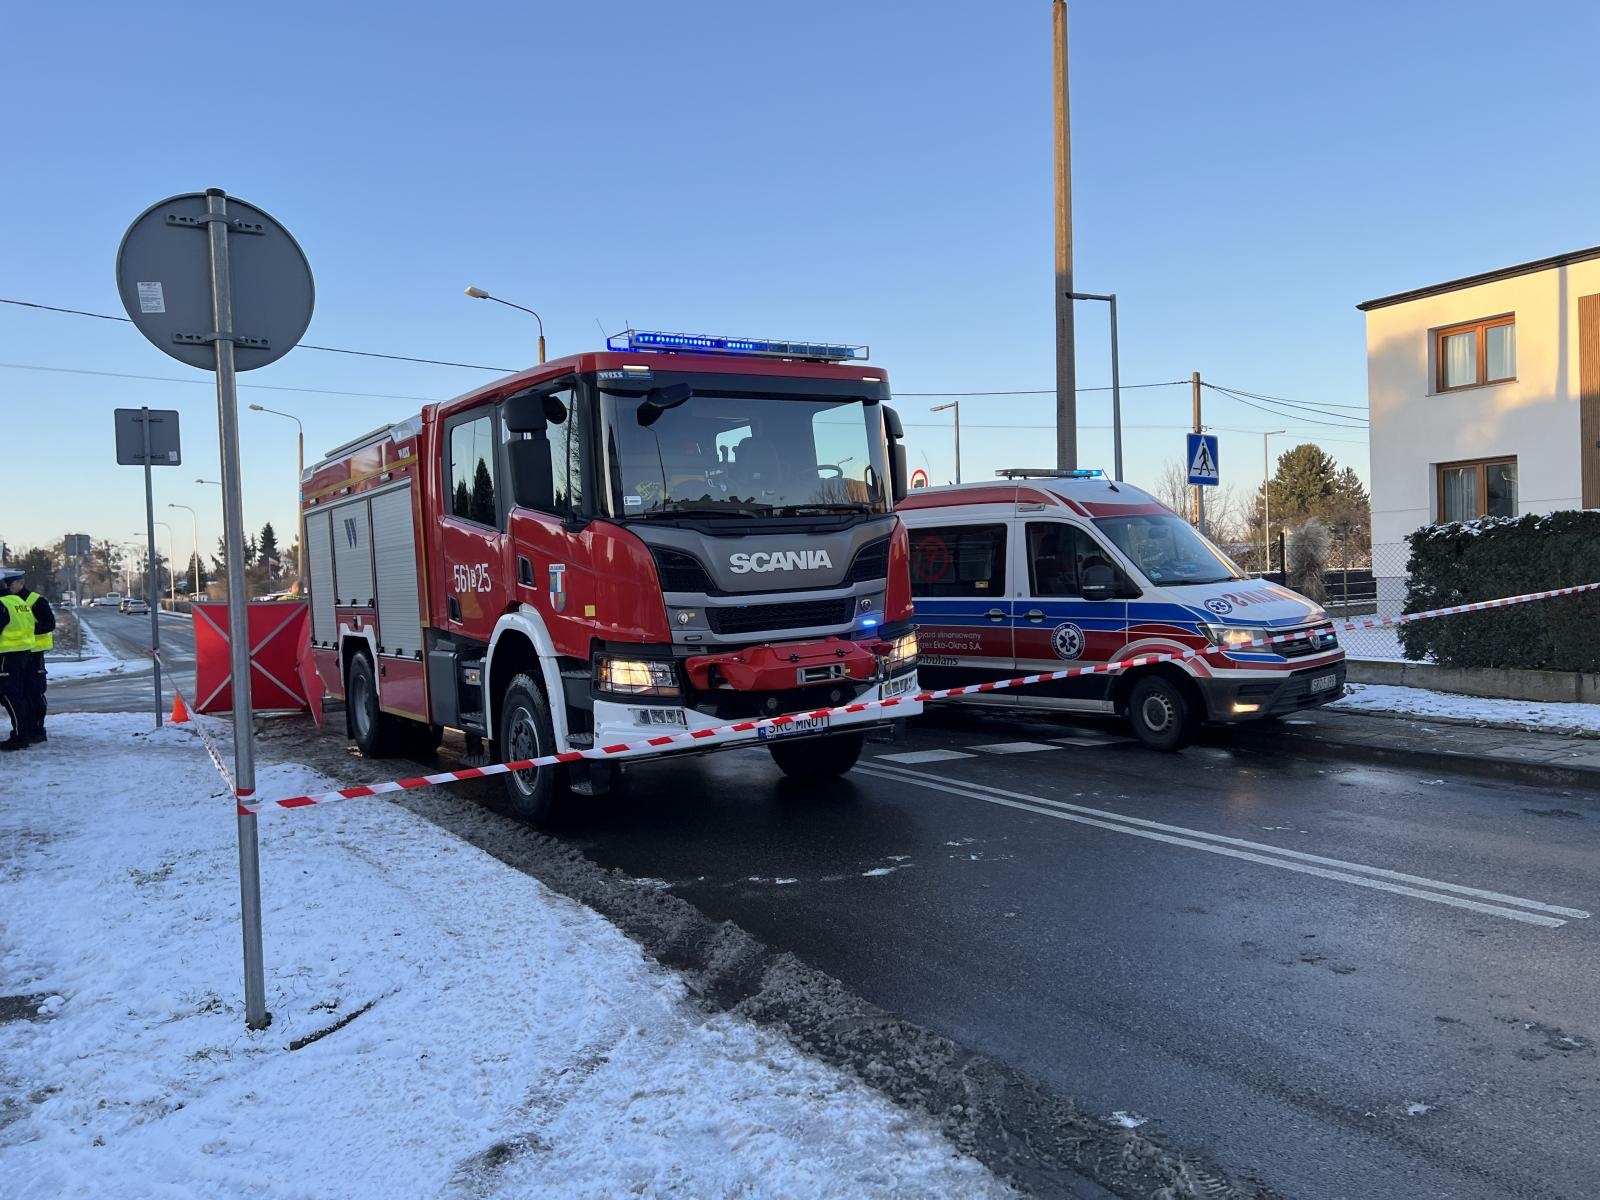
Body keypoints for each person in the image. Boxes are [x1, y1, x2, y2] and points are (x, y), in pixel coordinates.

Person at [0, 568, 39, 751]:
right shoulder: (17, 601)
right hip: (22, 653)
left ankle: (20, 736)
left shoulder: (1, 604)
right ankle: (24, 733)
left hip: (5, 655)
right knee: (17, 696)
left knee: (9, 696)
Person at [26, 573, 56, 741]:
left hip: (35, 653)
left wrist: (28, 630)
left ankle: (38, 728)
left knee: (35, 692)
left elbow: (50, 624)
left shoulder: (36, 600)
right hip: (15, 653)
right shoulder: (9, 601)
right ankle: (27, 727)